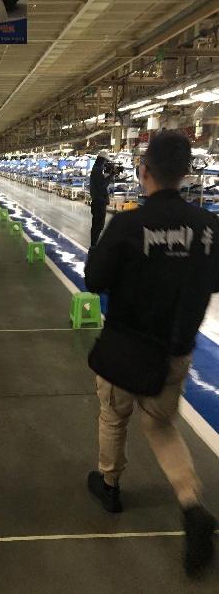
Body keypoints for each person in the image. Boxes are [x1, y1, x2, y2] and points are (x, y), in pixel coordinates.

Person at [85, 131, 219, 577]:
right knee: (161, 425)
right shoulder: (208, 228)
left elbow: (94, 279)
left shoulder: (128, 225)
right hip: (175, 352)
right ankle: (191, 504)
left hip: (127, 347)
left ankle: (110, 485)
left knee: (113, 416)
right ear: (186, 173)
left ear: (144, 172)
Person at [89, 149, 113, 247]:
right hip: (99, 202)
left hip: (98, 201)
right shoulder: (97, 170)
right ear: (102, 160)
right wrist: (111, 175)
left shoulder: (96, 169)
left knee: (97, 225)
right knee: (98, 225)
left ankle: (94, 244)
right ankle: (94, 245)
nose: (106, 164)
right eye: (106, 162)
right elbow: (102, 185)